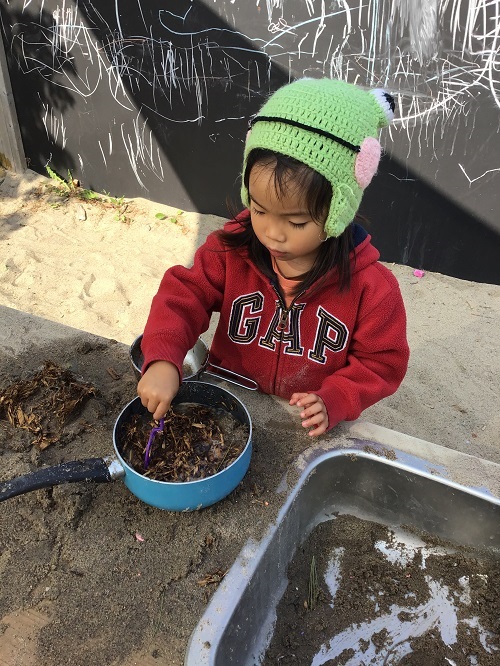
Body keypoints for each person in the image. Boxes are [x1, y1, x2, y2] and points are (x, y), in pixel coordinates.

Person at [138, 78, 409, 437]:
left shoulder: (371, 288)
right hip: (228, 401)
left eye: (297, 221)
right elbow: (183, 296)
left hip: (306, 422)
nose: (273, 234)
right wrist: (161, 358)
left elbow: (381, 362)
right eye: (260, 210)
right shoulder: (231, 249)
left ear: (338, 210)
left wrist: (337, 398)